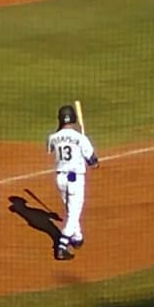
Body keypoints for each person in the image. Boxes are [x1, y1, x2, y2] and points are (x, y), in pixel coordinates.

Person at [47, 105, 99, 261]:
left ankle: (77, 236)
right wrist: (86, 151)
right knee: (74, 212)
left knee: (71, 210)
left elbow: (51, 150)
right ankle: (62, 246)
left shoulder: (52, 137)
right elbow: (93, 161)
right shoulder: (81, 138)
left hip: (61, 179)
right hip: (75, 178)